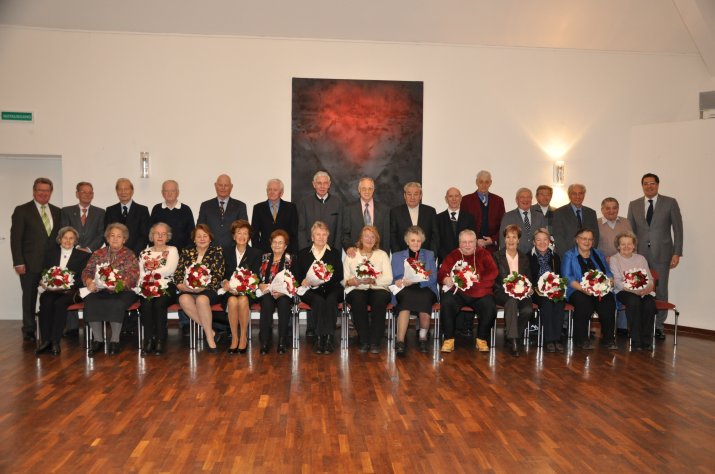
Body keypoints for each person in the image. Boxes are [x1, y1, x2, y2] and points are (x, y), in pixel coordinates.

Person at [627, 173, 683, 341]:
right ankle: (639, 325)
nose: (649, 186)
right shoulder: (634, 204)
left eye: (652, 183)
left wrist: (677, 252)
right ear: (642, 186)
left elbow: (678, 229)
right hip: (639, 255)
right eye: (646, 183)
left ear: (658, 185)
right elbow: (630, 231)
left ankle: (658, 326)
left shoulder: (670, 202)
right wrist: (629, 254)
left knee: (661, 289)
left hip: (662, 254)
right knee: (637, 288)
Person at [11, 177, 61, 341]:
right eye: (40, 190)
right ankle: (28, 329)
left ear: (51, 192)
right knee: (29, 296)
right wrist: (18, 262)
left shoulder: (57, 211)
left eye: (47, 190)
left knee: (51, 297)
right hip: (29, 263)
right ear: (34, 191)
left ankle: (49, 328)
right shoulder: (22, 210)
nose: (43, 193)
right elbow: (16, 239)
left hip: (52, 264)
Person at [82, 223, 140, 356]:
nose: (115, 239)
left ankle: (115, 340)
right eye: (112, 235)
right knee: (90, 300)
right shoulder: (98, 253)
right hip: (100, 289)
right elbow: (87, 271)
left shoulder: (129, 254)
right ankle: (98, 340)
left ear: (124, 239)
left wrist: (119, 285)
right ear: (107, 238)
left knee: (116, 303)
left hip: (123, 290)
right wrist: (89, 281)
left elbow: (133, 276)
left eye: (119, 236)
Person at [437, 229, 498, 353]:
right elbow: (441, 273)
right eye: (464, 242)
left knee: (490, 305)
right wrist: (445, 279)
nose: (467, 245)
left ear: (475, 242)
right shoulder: (453, 255)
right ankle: (448, 339)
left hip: (480, 293)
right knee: (446, 302)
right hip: (458, 293)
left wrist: (479, 277)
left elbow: (493, 271)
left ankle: (482, 339)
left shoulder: (484, 253)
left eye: (470, 242)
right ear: (459, 243)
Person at [35, 226, 90, 355]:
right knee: (46, 300)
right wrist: (44, 281)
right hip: (52, 290)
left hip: (72, 291)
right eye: (65, 238)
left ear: (75, 241)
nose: (68, 241)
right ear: (60, 239)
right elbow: (43, 272)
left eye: (71, 238)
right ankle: (46, 341)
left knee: (59, 304)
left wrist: (66, 284)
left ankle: (55, 341)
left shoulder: (83, 256)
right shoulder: (50, 254)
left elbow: (83, 278)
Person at [562, 228, 617, 350]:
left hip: (599, 289)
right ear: (577, 240)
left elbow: (607, 271)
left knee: (608, 301)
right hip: (576, 289)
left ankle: (608, 339)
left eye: (590, 239)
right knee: (584, 302)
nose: (587, 242)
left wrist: (610, 280)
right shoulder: (569, 255)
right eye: (584, 239)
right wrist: (582, 289)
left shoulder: (598, 253)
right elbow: (567, 278)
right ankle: (581, 340)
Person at [174, 224, 225, 353]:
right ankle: (211, 332)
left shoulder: (216, 251)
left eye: (205, 236)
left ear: (210, 238)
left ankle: (210, 340)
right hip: (188, 289)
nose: (202, 239)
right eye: (199, 236)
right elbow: (178, 273)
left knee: (202, 300)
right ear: (194, 239)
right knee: (183, 299)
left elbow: (218, 275)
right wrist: (181, 285)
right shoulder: (187, 252)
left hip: (209, 289)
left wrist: (203, 287)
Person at [295, 221, 344, 354]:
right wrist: (303, 280)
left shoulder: (334, 253)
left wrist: (323, 280)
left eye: (324, 234)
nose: (321, 237)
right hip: (309, 290)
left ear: (328, 237)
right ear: (312, 237)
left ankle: (328, 338)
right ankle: (318, 338)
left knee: (331, 300)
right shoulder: (303, 253)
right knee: (318, 300)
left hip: (331, 288)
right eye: (318, 234)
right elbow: (297, 275)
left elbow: (339, 275)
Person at [343, 225, 393, 354]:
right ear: (361, 238)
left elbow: (389, 278)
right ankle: (364, 340)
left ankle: (375, 342)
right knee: (358, 300)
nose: (369, 239)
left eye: (372, 237)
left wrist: (374, 280)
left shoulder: (382, 254)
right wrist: (350, 281)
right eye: (366, 236)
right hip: (357, 288)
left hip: (378, 288)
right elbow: (344, 280)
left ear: (376, 240)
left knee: (380, 300)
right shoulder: (352, 254)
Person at [390, 226, 438, 355]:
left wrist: (416, 281)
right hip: (405, 288)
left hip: (425, 287)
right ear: (407, 241)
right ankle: (400, 341)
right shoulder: (397, 256)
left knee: (425, 298)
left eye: (418, 240)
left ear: (422, 241)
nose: (416, 243)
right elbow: (395, 276)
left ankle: (423, 338)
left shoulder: (429, 255)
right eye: (412, 240)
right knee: (405, 300)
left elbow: (433, 277)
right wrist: (399, 281)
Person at [610, 231, 657, 351]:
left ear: (634, 245)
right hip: (623, 291)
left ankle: (646, 340)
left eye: (629, 244)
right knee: (634, 301)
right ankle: (636, 340)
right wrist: (634, 291)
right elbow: (617, 282)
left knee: (650, 303)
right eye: (623, 244)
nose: (626, 247)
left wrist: (648, 288)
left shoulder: (641, 258)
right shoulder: (614, 259)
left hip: (642, 291)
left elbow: (650, 279)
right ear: (618, 246)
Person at [137, 222, 179, 356]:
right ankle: (148, 340)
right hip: (147, 285)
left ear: (168, 236)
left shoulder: (172, 250)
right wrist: (145, 282)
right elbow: (140, 273)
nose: (160, 236)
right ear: (152, 236)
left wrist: (151, 273)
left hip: (167, 285)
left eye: (163, 234)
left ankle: (160, 340)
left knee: (159, 303)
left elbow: (169, 270)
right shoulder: (144, 252)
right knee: (146, 304)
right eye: (157, 233)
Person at [220, 220, 262, 354]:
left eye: (245, 233)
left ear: (249, 236)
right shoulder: (225, 251)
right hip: (229, 291)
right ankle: (234, 337)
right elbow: (222, 274)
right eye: (239, 233)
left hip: (248, 291)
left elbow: (256, 276)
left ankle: (243, 337)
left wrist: (243, 287)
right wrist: (225, 282)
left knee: (243, 300)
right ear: (233, 236)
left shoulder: (256, 253)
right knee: (232, 301)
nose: (242, 236)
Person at [493, 224, 533, 356]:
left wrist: (529, 289)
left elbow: (528, 278)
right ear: (504, 239)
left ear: (518, 240)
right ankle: (514, 342)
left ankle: (512, 335)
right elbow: (494, 279)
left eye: (514, 237)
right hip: (502, 292)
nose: (511, 240)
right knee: (511, 302)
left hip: (521, 292)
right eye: (508, 237)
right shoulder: (496, 256)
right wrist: (507, 288)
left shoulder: (524, 258)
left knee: (527, 310)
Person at [256, 229, 295, 355]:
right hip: (267, 291)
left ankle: (282, 341)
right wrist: (259, 284)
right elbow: (255, 276)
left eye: (280, 242)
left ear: (285, 246)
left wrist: (284, 291)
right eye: (274, 242)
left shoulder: (291, 259)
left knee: (284, 303)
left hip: (284, 293)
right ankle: (265, 341)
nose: (277, 245)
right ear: (271, 243)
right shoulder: (264, 257)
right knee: (266, 303)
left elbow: (295, 279)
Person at [529, 228, 565, 353]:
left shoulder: (555, 257)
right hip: (536, 292)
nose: (542, 243)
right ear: (534, 242)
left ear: (549, 241)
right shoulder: (528, 256)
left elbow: (559, 276)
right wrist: (540, 288)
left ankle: (557, 339)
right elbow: (528, 278)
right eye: (538, 240)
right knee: (547, 303)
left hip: (553, 289)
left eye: (545, 239)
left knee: (559, 302)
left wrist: (554, 287)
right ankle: (549, 340)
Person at [197, 174, 248, 249]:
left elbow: (244, 230)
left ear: (231, 187)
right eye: (220, 185)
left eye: (226, 185)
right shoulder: (205, 206)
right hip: (210, 250)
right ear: (215, 185)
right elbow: (200, 229)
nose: (223, 188)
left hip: (233, 251)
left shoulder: (240, 206)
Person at [342, 177, 390, 256]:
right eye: (364, 189)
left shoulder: (384, 210)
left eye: (370, 189)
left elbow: (386, 237)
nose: (367, 191)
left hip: (378, 255)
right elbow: (345, 234)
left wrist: (385, 256)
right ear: (359, 190)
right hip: (356, 254)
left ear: (373, 190)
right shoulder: (349, 209)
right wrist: (348, 247)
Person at [460, 170, 505, 254]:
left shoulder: (498, 201)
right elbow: (462, 225)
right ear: (476, 182)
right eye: (481, 182)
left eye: (487, 182)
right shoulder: (466, 200)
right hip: (471, 247)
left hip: (492, 249)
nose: (484, 185)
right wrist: (475, 240)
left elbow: (503, 225)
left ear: (490, 183)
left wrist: (493, 240)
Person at [297, 170, 343, 250]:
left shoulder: (337, 202)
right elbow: (301, 230)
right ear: (314, 184)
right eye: (319, 183)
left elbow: (339, 230)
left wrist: (336, 251)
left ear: (329, 184)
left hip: (331, 250)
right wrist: (304, 250)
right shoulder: (305, 203)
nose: (322, 186)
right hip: (309, 250)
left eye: (325, 183)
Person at [251, 178, 300, 254]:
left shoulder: (290, 207)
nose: (272, 192)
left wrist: (294, 253)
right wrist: (257, 252)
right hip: (264, 252)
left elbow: (294, 232)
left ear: (281, 192)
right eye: (269, 189)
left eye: (275, 190)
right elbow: (254, 233)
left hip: (286, 251)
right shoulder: (258, 208)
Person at [104, 178, 150, 256]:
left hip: (135, 255)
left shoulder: (142, 210)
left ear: (132, 191)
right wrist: (114, 252)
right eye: (120, 189)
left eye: (126, 189)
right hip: (114, 255)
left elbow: (144, 236)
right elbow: (106, 234)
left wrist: (133, 254)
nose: (123, 192)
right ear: (117, 192)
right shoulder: (110, 210)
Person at [389, 182, 439, 253]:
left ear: (421, 196)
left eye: (416, 194)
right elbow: (393, 236)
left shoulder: (430, 211)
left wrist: (431, 255)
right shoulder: (395, 212)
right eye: (409, 194)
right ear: (405, 195)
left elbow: (435, 236)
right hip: (403, 255)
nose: (412, 197)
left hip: (425, 255)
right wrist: (398, 256)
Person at [552, 183, 599, 259]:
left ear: (584, 195)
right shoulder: (559, 212)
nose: (578, 196)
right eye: (574, 194)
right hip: (568, 256)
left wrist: (589, 253)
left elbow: (595, 235)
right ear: (569, 195)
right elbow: (558, 237)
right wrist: (568, 256)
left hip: (588, 256)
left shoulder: (591, 213)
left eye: (580, 193)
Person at [150, 179, 195, 250]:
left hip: (182, 252)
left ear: (178, 192)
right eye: (166, 191)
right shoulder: (157, 209)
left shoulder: (186, 209)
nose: (169, 193)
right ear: (162, 193)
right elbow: (151, 232)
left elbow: (192, 233)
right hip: (160, 252)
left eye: (172, 191)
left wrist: (186, 252)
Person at [60, 181, 105, 253]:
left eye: (90, 193)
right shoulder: (67, 211)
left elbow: (102, 234)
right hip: (71, 252)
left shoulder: (100, 212)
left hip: (91, 254)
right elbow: (64, 232)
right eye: (83, 192)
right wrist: (77, 247)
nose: (87, 195)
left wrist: (89, 249)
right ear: (77, 194)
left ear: (93, 195)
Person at [499, 187, 546, 254]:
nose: (525, 199)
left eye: (528, 197)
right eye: (522, 197)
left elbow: (544, 238)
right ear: (516, 200)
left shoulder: (540, 216)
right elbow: (503, 240)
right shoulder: (508, 217)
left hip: (536, 257)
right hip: (515, 256)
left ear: (531, 199)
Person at [436, 187, 476, 264]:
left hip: (466, 261)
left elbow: (472, 240)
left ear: (460, 198)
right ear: (446, 199)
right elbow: (437, 242)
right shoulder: (438, 218)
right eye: (450, 196)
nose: (454, 199)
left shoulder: (469, 218)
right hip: (444, 261)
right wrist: (448, 258)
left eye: (456, 196)